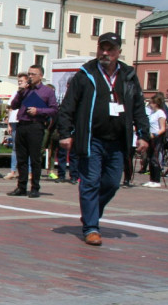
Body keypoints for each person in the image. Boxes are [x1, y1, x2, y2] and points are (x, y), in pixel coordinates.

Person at [57, 32, 150, 246]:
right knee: (90, 181)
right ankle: (91, 227)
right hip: (92, 138)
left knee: (111, 183)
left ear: (118, 52)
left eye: (110, 49)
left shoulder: (128, 75)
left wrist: (143, 134)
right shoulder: (85, 74)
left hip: (118, 140)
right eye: (102, 48)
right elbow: (68, 106)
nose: (105, 53)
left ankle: (91, 211)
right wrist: (65, 133)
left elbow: (138, 107)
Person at [7, 65, 58, 198]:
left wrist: (39, 111)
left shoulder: (47, 92)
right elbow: (13, 105)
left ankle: (35, 187)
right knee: (21, 158)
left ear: (41, 76)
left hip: (36, 126)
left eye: (33, 74)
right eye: (29, 74)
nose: (30, 76)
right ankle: (21, 186)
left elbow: (54, 110)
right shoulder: (25, 90)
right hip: (22, 125)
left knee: (35, 159)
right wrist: (20, 91)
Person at [142, 93, 167, 188]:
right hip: (150, 137)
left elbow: (162, 128)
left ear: (156, 103)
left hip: (156, 137)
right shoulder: (152, 113)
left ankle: (157, 180)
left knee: (154, 158)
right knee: (149, 157)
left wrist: (155, 134)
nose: (150, 104)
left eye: (151, 102)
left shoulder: (160, 113)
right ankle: (152, 179)